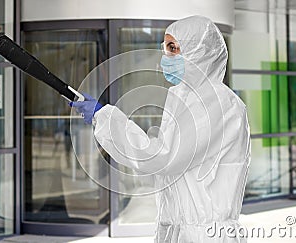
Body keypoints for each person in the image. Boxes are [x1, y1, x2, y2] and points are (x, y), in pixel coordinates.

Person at [70, 15, 251, 243]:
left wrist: (104, 116)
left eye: (173, 48)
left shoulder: (216, 102)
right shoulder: (185, 96)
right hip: (182, 231)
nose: (166, 56)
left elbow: (163, 156)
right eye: (165, 48)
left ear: (200, 51)